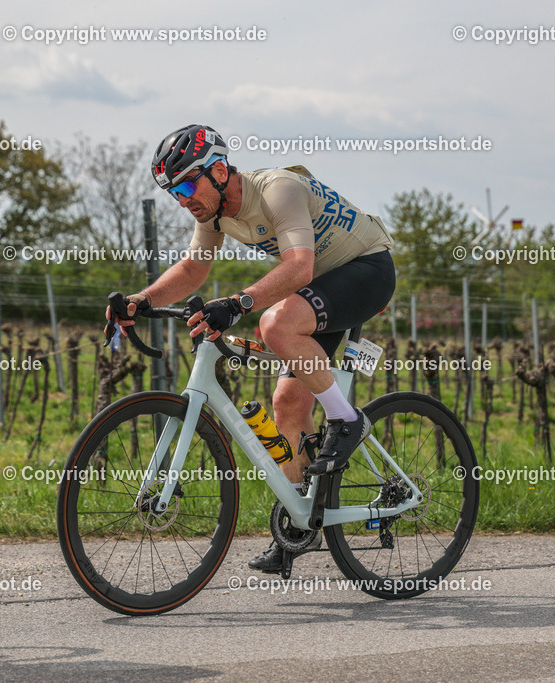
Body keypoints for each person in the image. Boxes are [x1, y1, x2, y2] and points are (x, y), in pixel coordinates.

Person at [112, 124, 395, 572]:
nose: (183, 199)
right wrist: (139, 301)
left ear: (220, 170)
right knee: (285, 403)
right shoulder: (213, 214)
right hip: (323, 286)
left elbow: (298, 267)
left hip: (366, 270)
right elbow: (192, 270)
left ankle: (347, 420)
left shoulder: (277, 190)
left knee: (275, 323)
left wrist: (238, 302)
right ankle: (301, 526)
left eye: (187, 184)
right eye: (173, 192)